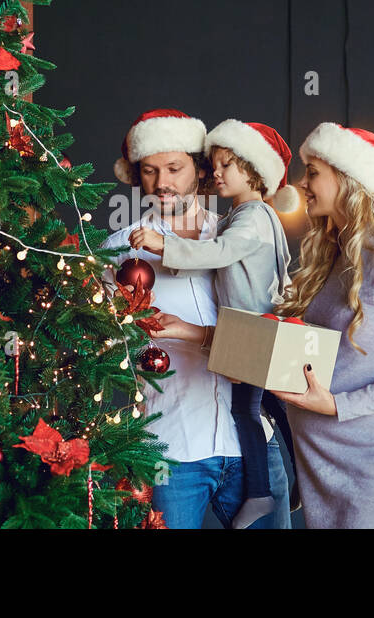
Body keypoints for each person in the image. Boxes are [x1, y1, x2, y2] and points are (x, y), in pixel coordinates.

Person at [153, 121, 374, 528]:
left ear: (348, 179)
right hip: (320, 468)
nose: (302, 183)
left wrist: (336, 405)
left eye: (313, 173)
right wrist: (191, 332)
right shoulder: (331, 259)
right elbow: (280, 353)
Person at [100, 108, 291, 530]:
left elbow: (275, 326)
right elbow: (98, 340)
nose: (162, 182)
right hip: (173, 450)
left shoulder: (237, 235)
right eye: (149, 170)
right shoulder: (118, 251)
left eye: (174, 168)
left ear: (200, 171)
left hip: (252, 447)